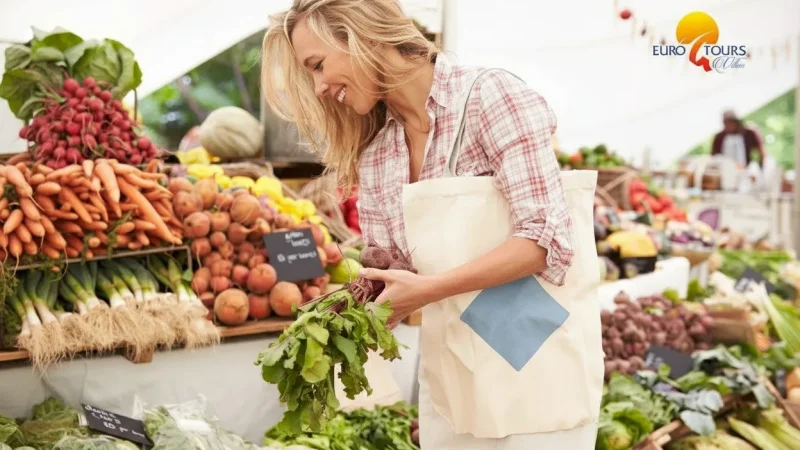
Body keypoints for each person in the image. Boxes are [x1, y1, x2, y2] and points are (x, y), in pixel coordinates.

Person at [261, 1, 603, 449]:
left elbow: (545, 240)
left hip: (538, 368)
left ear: (361, 35)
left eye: (318, 65)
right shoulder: (379, 153)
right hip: (457, 378)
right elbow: (395, 275)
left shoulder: (489, 98)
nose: (320, 87)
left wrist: (429, 289)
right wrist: (336, 313)